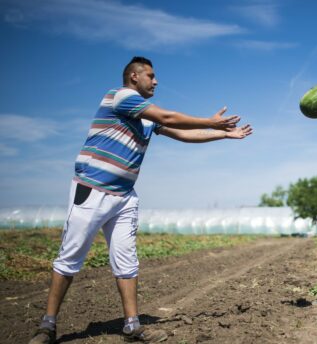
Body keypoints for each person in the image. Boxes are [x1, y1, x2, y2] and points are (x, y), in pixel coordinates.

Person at [29, 56, 253, 344]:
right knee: (70, 259)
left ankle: (132, 326)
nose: (156, 81)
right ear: (134, 77)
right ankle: (47, 325)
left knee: (127, 262)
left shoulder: (146, 117)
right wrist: (210, 120)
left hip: (124, 197)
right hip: (93, 189)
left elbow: (181, 133)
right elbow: (169, 117)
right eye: (150, 75)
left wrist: (222, 134)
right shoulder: (120, 96)